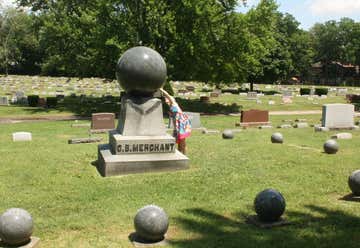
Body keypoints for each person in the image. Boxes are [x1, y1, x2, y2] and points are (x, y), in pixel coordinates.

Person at [160, 88, 191, 154]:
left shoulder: (173, 103)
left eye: (167, 99)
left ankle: (184, 154)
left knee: (182, 140)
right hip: (177, 124)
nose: (166, 101)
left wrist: (161, 89)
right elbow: (174, 119)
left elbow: (167, 95)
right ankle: (180, 153)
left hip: (182, 122)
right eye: (166, 100)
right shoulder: (171, 107)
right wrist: (175, 128)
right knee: (179, 140)